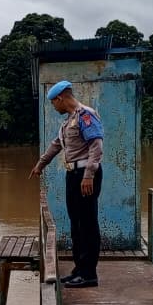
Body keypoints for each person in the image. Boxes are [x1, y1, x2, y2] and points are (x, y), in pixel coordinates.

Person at [28, 80, 104, 288]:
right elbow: (55, 145)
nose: (54, 107)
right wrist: (40, 164)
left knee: (88, 223)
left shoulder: (85, 115)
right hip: (72, 175)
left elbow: (96, 145)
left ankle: (89, 274)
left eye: (54, 103)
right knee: (76, 224)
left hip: (85, 175)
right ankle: (79, 269)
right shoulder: (68, 122)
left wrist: (89, 175)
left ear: (61, 98)